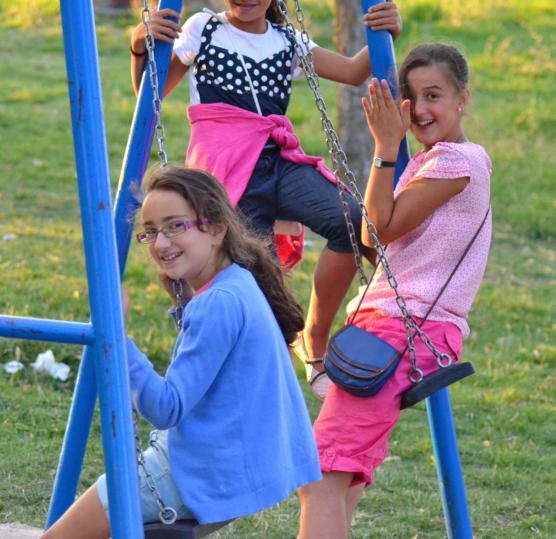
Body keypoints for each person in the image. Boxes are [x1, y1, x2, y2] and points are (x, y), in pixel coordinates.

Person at [129, 0, 403, 400]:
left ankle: (314, 338)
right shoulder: (204, 28)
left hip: (277, 159)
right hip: (226, 168)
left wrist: (384, 32)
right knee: (257, 283)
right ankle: (248, 387)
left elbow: (352, 71)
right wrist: (141, 44)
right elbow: (150, 90)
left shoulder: (287, 40)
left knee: (351, 220)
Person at [42, 167, 322, 538]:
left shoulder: (216, 303)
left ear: (217, 229)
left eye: (176, 226)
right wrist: (184, 304)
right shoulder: (239, 282)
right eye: (151, 231)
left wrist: (116, 337)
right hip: (239, 468)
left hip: (191, 477)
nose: (161, 243)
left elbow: (167, 408)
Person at [297, 43, 492, 538]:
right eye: (412, 97)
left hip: (406, 327)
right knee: (341, 478)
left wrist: (386, 147)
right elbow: (376, 235)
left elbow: (375, 231)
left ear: (462, 99)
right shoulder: (431, 161)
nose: (421, 109)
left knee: (319, 474)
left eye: (434, 95)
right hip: (395, 327)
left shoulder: (457, 162)